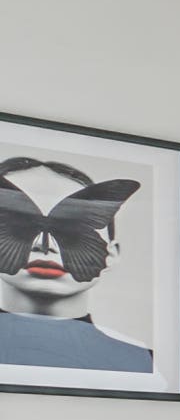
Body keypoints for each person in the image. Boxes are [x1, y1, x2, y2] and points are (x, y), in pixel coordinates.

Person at [0, 156, 151, 373]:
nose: (45, 246)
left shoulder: (141, 362)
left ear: (111, 253)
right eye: (17, 225)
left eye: (69, 229)